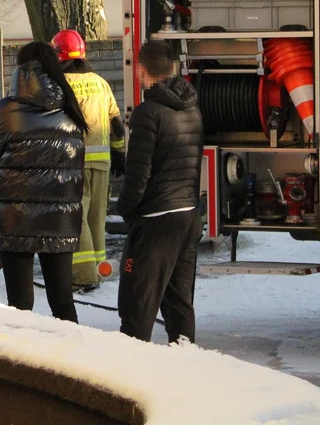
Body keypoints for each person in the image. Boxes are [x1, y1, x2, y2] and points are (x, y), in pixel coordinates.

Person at [0, 42, 87, 323]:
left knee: (20, 303)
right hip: (60, 217)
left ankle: (21, 362)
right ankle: (71, 362)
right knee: (62, 302)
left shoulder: (4, 111)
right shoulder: (71, 109)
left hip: (15, 215)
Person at [117, 40, 205, 343]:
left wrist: (127, 209)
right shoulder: (193, 108)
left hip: (156, 218)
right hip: (188, 214)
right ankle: (184, 364)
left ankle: (131, 377)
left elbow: (138, 175)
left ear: (142, 70)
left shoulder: (147, 113)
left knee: (136, 306)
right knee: (179, 304)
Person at [51, 29, 126, 292]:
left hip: (73, 161)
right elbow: (117, 124)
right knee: (96, 217)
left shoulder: (59, 84)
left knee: (75, 217)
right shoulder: (100, 82)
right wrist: (119, 153)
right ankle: (97, 270)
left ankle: (84, 275)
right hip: (102, 161)